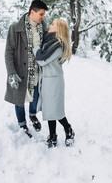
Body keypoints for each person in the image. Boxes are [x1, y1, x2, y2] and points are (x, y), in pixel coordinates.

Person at [4, 0, 48, 138]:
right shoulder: (15, 28)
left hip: (37, 71)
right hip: (20, 72)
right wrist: (11, 73)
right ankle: (22, 124)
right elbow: (8, 52)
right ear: (32, 12)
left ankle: (33, 115)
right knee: (19, 101)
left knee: (35, 95)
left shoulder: (43, 27)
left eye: (44, 14)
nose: (43, 17)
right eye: (41, 14)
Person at [33, 19, 75, 147]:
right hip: (46, 80)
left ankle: (68, 130)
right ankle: (53, 136)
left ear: (58, 29)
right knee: (49, 110)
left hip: (54, 82)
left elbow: (42, 60)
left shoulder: (58, 45)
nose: (50, 25)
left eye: (53, 24)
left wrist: (36, 48)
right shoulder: (49, 41)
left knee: (56, 111)